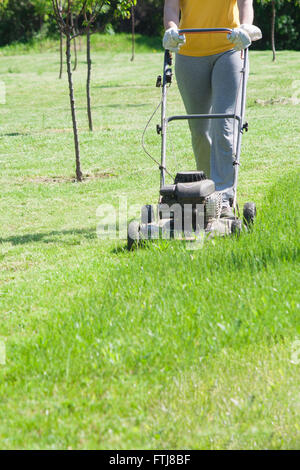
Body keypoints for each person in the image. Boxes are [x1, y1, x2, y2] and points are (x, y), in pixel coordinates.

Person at [163, 0, 262, 217]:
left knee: (224, 125)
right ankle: (207, 193)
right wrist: (171, 29)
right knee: (200, 132)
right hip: (189, 53)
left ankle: (225, 197)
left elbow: (246, 3)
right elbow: (171, 8)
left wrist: (245, 27)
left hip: (229, 48)